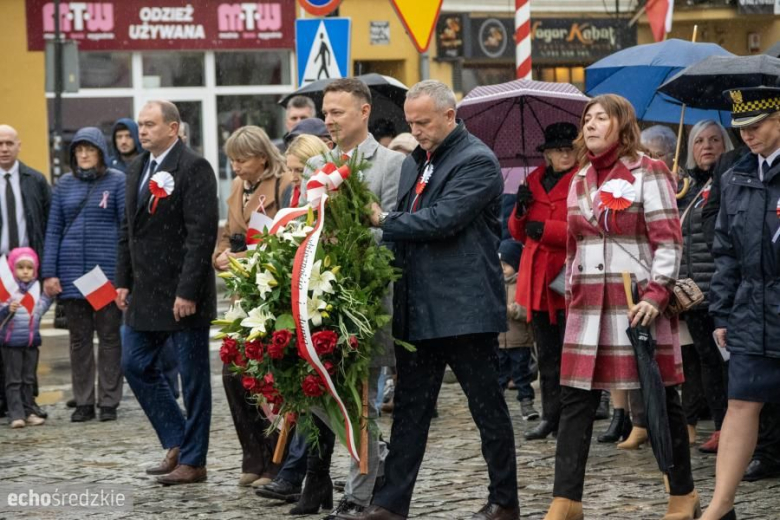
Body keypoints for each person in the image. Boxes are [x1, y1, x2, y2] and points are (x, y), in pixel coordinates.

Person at [356, 80, 519, 520]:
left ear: (450, 116)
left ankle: (504, 500)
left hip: (465, 310)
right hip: (419, 307)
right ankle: (390, 504)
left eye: (423, 122)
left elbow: (442, 220)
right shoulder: (415, 162)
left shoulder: (478, 160)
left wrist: (384, 220)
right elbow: (412, 223)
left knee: (487, 410)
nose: (416, 130)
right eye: (411, 122)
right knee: (409, 411)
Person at [544, 94, 697, 520]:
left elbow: (668, 240)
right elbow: (574, 245)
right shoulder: (578, 180)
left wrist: (657, 293)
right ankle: (566, 500)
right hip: (588, 305)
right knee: (575, 399)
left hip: (636, 302)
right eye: (586, 119)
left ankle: (683, 494)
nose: (590, 125)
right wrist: (574, 283)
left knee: (660, 397)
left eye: (601, 118)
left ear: (623, 125)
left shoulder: (650, 171)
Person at [292, 77, 403, 519]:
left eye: (337, 112)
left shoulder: (391, 164)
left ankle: (359, 493)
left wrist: (353, 241)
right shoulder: (315, 164)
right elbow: (304, 224)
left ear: (364, 112)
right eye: (326, 111)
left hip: (368, 300)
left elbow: (393, 230)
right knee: (319, 394)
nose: (328, 120)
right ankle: (373, 462)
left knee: (363, 401)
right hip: (321, 300)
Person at [117, 100, 218, 486]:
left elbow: (201, 234)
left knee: (193, 380)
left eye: (149, 125)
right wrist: (122, 280)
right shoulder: (136, 167)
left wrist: (188, 290)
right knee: (134, 363)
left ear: (173, 128)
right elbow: (128, 230)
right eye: (140, 125)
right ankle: (177, 439)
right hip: (145, 290)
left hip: (182, 294)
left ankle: (194, 461)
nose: (141, 131)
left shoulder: (193, 168)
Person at [702, 88, 780, 520]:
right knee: (741, 402)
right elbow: (725, 249)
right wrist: (723, 308)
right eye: (742, 130)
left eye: (757, 126)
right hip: (752, 303)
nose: (747, 136)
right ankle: (719, 506)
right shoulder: (735, 175)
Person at [212, 125, 293, 488]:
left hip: (272, 293)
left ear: (262, 156)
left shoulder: (282, 184)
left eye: (241, 159)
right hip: (242, 293)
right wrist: (220, 256)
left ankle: (278, 462)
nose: (236, 166)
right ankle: (253, 455)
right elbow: (228, 233)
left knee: (269, 380)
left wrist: (243, 254)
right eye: (231, 160)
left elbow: (282, 240)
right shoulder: (236, 187)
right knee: (233, 374)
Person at [41, 127, 125, 423]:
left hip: (105, 277)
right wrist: (49, 273)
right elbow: (52, 231)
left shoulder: (117, 182)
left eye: (90, 149)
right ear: (73, 154)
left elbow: (126, 230)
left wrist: (124, 277)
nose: (84, 155)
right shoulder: (63, 184)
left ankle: (109, 401)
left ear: (101, 152)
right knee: (79, 341)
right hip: (72, 275)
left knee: (110, 338)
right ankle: (84, 401)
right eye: (79, 150)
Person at [508, 122, 578, 441]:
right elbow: (516, 232)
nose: (566, 154)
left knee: (571, 353)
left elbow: (584, 228)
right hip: (538, 282)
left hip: (567, 277)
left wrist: (545, 231)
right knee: (546, 354)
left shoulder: (582, 181)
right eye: (559, 149)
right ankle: (551, 415)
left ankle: (573, 416)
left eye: (570, 148)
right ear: (548, 154)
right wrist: (520, 209)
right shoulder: (533, 179)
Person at [675, 120, 733, 454]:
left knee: (726, 362)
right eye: (699, 141)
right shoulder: (684, 187)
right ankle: (721, 426)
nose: (707, 146)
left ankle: (733, 428)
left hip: (719, 289)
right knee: (706, 362)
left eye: (714, 139)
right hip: (693, 293)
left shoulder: (727, 181)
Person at [0, 125, 51, 420]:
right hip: (0, 270)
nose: (4, 148)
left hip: (28, 270)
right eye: (0, 143)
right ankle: (7, 401)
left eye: (9, 143)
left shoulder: (35, 180)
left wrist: (47, 271)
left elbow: (48, 223)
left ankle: (29, 400)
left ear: (19, 145)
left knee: (27, 337)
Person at [0, 248, 53, 428]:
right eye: (20, 267)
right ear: (12, 270)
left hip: (31, 343)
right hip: (11, 343)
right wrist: (7, 309)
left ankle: (28, 410)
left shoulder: (36, 290)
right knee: (13, 380)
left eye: (29, 268)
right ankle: (16, 414)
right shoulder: (7, 292)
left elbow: (40, 309)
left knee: (28, 379)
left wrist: (49, 297)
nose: (25, 271)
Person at [497, 239, 538, 421]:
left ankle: (527, 404)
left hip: (519, 340)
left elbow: (525, 311)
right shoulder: (495, 283)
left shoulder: (522, 284)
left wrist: (510, 310)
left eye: (506, 264)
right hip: (500, 341)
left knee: (522, 375)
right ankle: (495, 406)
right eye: (500, 264)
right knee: (499, 376)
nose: (502, 268)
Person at [285, 134, 330, 210]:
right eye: (290, 170)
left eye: (300, 170)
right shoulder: (294, 196)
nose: (292, 178)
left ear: (318, 165)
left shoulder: (336, 201)